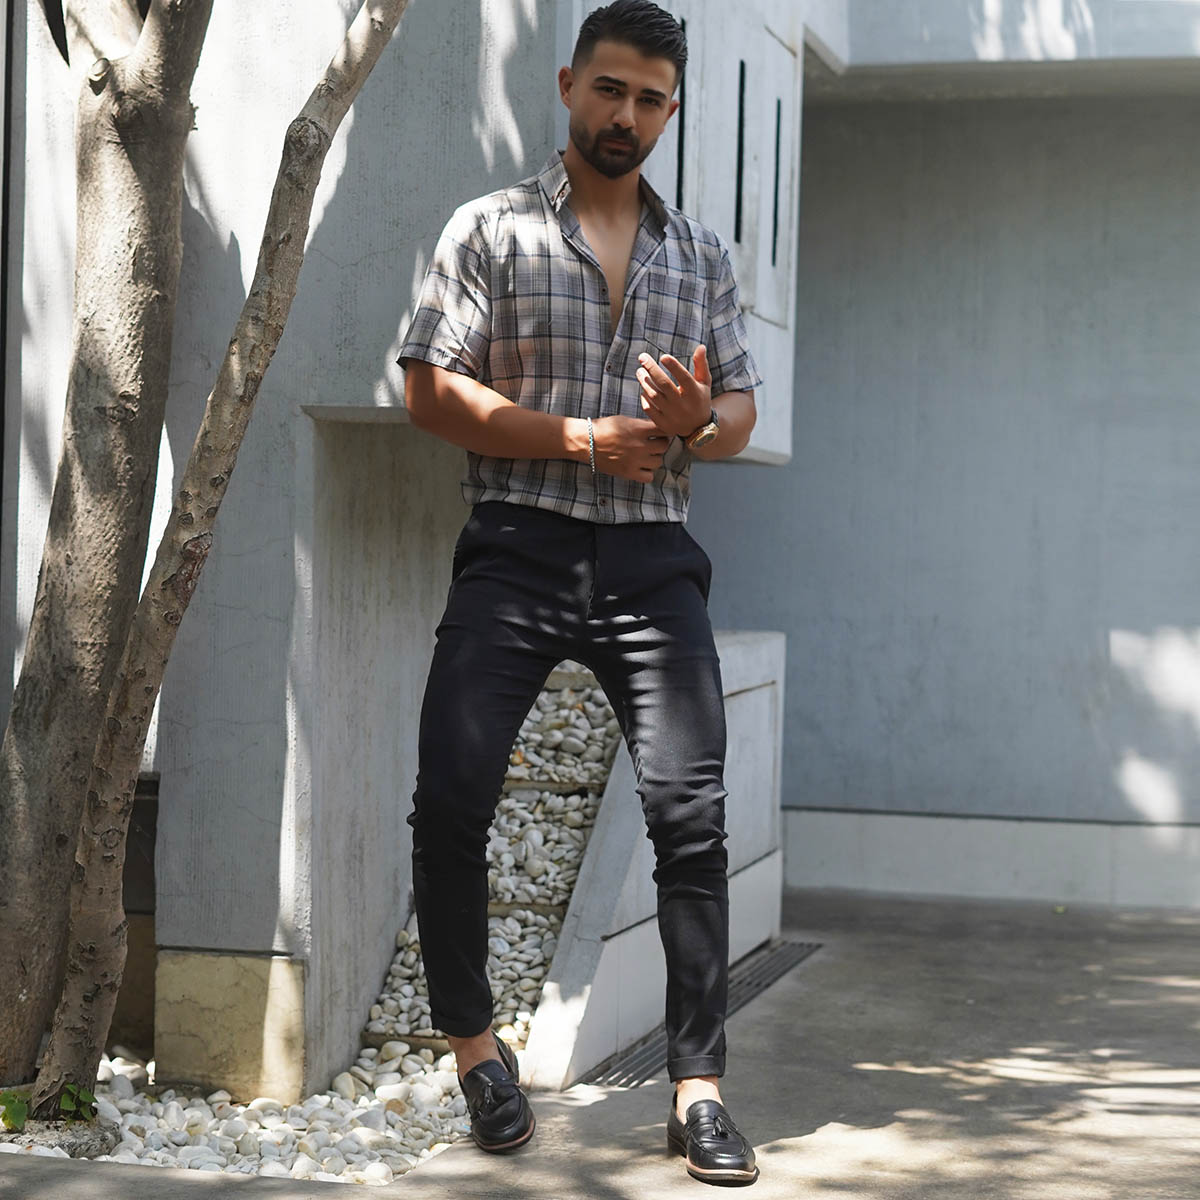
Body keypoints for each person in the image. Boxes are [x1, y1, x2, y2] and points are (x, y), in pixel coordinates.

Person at [397, 0, 762, 1185]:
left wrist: (696, 422)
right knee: (452, 799)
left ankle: (698, 1088)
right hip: (517, 545)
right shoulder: (490, 228)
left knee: (691, 815)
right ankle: (476, 1053)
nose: (627, 115)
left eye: (650, 99)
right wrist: (580, 438)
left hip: (654, 560)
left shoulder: (700, 255)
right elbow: (428, 389)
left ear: (670, 110)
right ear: (568, 85)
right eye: (610, 89)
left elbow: (738, 413)